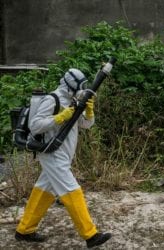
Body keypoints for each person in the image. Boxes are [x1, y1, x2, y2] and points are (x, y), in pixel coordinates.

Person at [15, 69, 112, 248]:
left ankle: (24, 230)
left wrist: (89, 111)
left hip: (64, 154)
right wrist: (59, 117)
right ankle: (90, 235)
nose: (82, 88)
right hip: (51, 153)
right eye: (80, 85)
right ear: (71, 84)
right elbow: (35, 126)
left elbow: (86, 125)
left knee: (44, 189)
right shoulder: (53, 99)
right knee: (71, 189)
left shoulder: (72, 100)